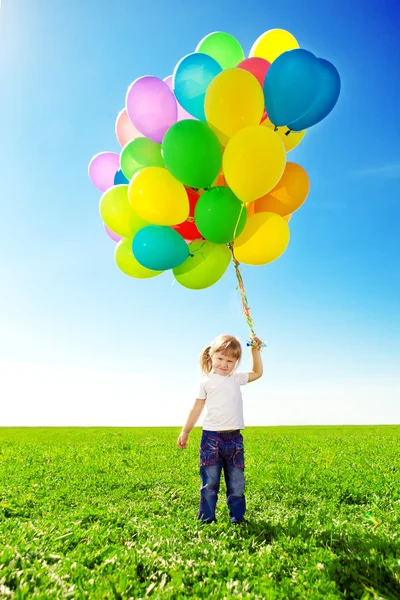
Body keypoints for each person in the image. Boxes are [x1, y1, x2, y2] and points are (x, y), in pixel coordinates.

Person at [177, 334, 263, 524]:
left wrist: (255, 352)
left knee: (237, 482)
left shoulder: (236, 378)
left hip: (234, 439)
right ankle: (207, 520)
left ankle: (238, 518)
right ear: (211, 356)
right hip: (211, 439)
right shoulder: (206, 381)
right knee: (209, 483)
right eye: (220, 359)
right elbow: (196, 407)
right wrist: (186, 431)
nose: (224, 364)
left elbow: (257, 373)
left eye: (230, 361)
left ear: (236, 362)